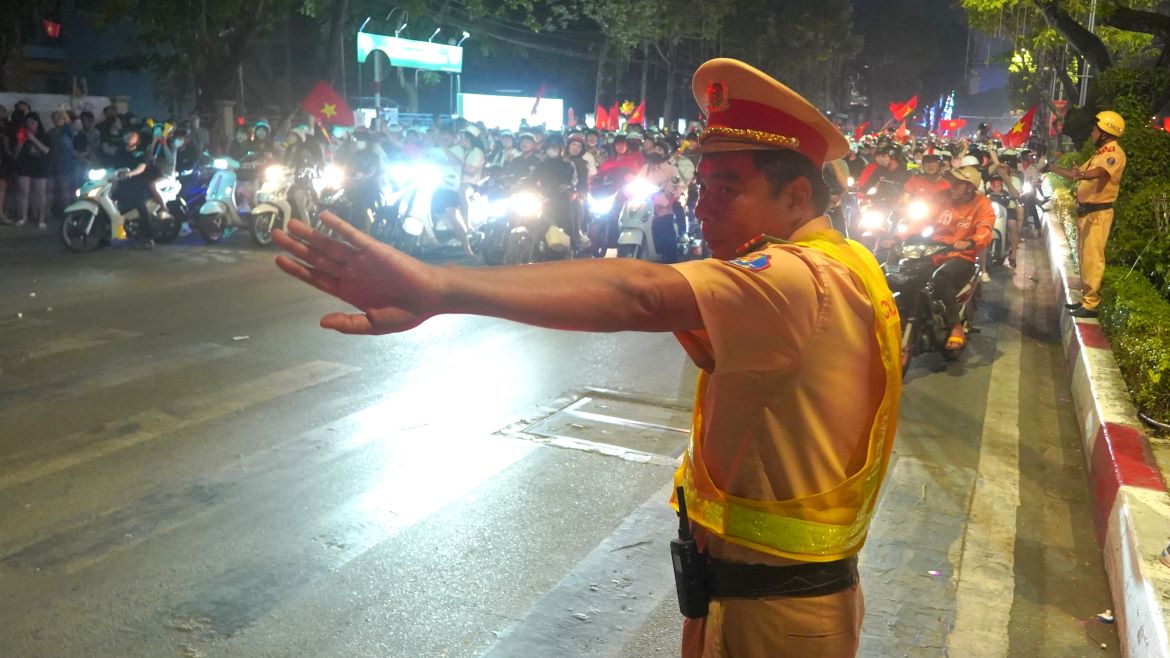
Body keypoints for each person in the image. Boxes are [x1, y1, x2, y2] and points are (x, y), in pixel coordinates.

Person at [271, 57, 901, 658]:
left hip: (775, 622)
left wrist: (443, 287)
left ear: (796, 196)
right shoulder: (837, 267)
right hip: (757, 603)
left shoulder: (797, 279)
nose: (701, 204)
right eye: (702, 184)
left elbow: (642, 295)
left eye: (727, 187)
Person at [1047, 110, 1127, 318]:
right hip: (1087, 214)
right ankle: (1086, 300)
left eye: (1094, 130)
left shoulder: (1113, 154)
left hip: (1098, 215)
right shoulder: (1099, 154)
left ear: (1105, 132)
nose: (1091, 133)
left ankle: (1091, 305)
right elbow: (1077, 175)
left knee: (1093, 259)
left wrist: (1084, 174)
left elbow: (1099, 173)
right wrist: (1051, 168)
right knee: (1084, 258)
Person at [928, 165, 995, 350]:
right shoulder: (942, 197)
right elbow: (921, 217)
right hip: (934, 249)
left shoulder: (982, 204)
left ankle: (955, 326)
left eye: (957, 184)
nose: (952, 186)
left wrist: (971, 242)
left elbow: (985, 228)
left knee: (940, 278)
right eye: (952, 182)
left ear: (969, 187)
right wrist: (898, 236)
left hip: (961, 255)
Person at [13, 112, 52, 229]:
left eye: (33, 122)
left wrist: (33, 139)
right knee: (23, 193)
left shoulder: (44, 135)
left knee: (40, 193)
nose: (31, 125)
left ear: (38, 123)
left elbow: (46, 151)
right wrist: (21, 141)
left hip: (40, 166)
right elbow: (16, 153)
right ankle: (23, 217)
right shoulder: (21, 134)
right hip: (24, 166)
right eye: (28, 122)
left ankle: (41, 219)